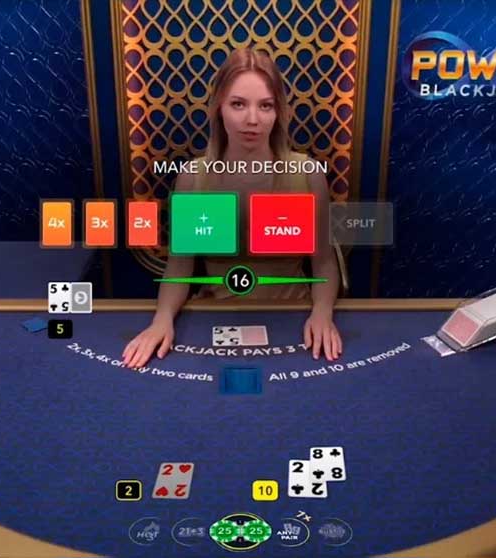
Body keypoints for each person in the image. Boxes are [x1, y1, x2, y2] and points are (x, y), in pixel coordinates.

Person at [122, 48, 343, 367]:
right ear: (219, 108)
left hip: (294, 317)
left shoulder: (307, 174)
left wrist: (322, 314)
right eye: (238, 104)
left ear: (278, 111)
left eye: (265, 105)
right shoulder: (193, 178)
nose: (252, 119)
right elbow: (179, 268)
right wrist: (162, 320)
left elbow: (323, 264)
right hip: (212, 317)